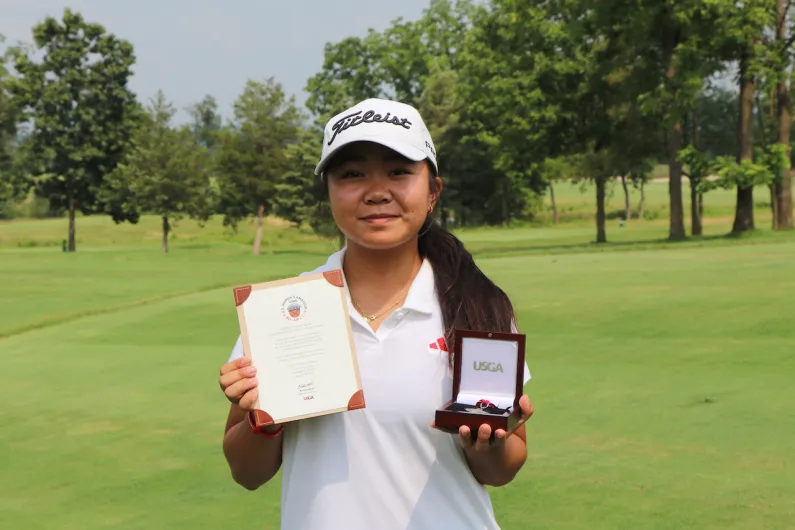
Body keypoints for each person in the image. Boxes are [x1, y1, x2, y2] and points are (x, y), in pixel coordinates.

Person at [218, 98, 534, 530]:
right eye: (352, 174)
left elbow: (502, 469)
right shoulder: (285, 312)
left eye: (399, 171)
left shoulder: (476, 303)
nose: (377, 190)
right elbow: (246, 472)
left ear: (433, 191)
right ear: (329, 191)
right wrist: (262, 421)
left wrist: (489, 447)